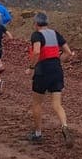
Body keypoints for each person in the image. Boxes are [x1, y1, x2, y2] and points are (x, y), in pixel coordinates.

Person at [27, 12, 74, 147]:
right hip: (57, 70)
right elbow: (68, 53)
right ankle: (64, 126)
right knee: (57, 104)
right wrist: (57, 61)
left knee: (37, 103)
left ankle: (37, 133)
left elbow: (37, 52)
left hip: (42, 71)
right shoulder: (55, 34)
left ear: (36, 23)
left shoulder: (36, 35)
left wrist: (31, 67)